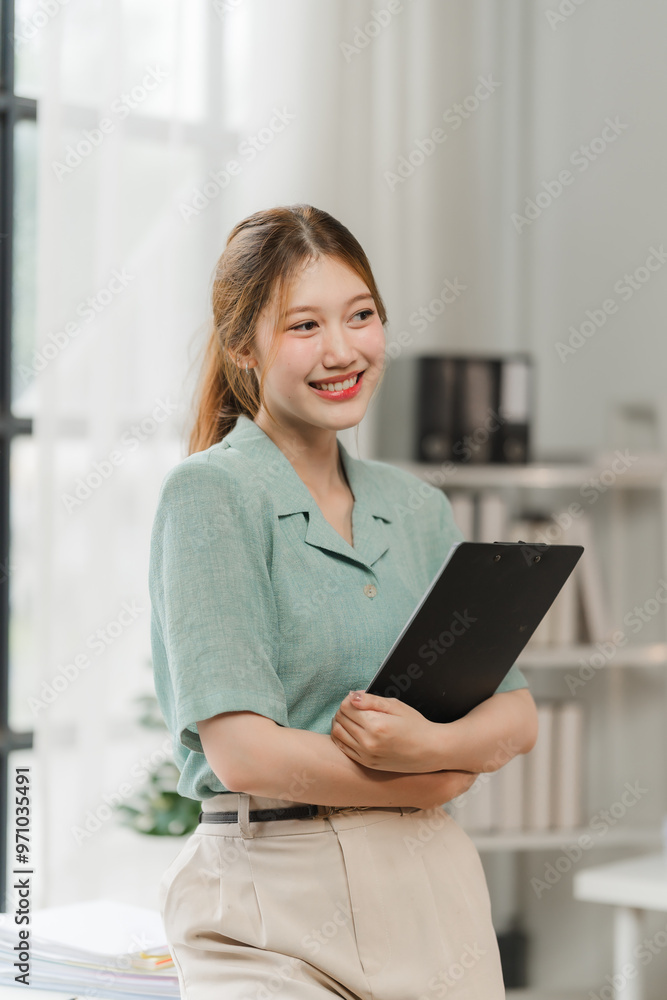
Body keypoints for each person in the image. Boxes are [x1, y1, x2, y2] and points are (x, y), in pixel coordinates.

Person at [149, 204, 538, 1000]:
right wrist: (434, 773)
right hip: (271, 906)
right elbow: (245, 754)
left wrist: (429, 755)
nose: (341, 350)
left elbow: (515, 716)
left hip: (434, 895)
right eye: (303, 326)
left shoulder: (418, 506)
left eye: (360, 316)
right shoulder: (211, 495)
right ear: (240, 347)